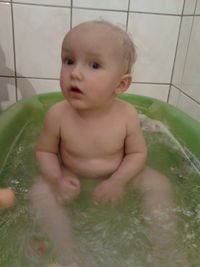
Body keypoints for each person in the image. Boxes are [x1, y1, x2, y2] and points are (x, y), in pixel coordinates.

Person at [31, 20, 181, 267]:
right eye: (68, 60)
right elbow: (44, 151)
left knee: (158, 183)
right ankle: (68, 254)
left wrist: (118, 180)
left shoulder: (126, 115)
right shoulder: (58, 114)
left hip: (118, 173)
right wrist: (56, 178)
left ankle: (167, 250)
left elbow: (137, 154)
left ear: (121, 84)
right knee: (41, 192)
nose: (75, 73)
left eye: (94, 65)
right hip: (71, 174)